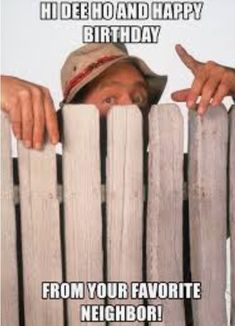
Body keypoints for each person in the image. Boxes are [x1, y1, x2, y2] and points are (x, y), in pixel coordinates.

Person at [1, 43, 235, 150]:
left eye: (139, 98)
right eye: (110, 99)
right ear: (68, 119)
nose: (130, 109)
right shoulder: (24, 188)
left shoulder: (192, 184)